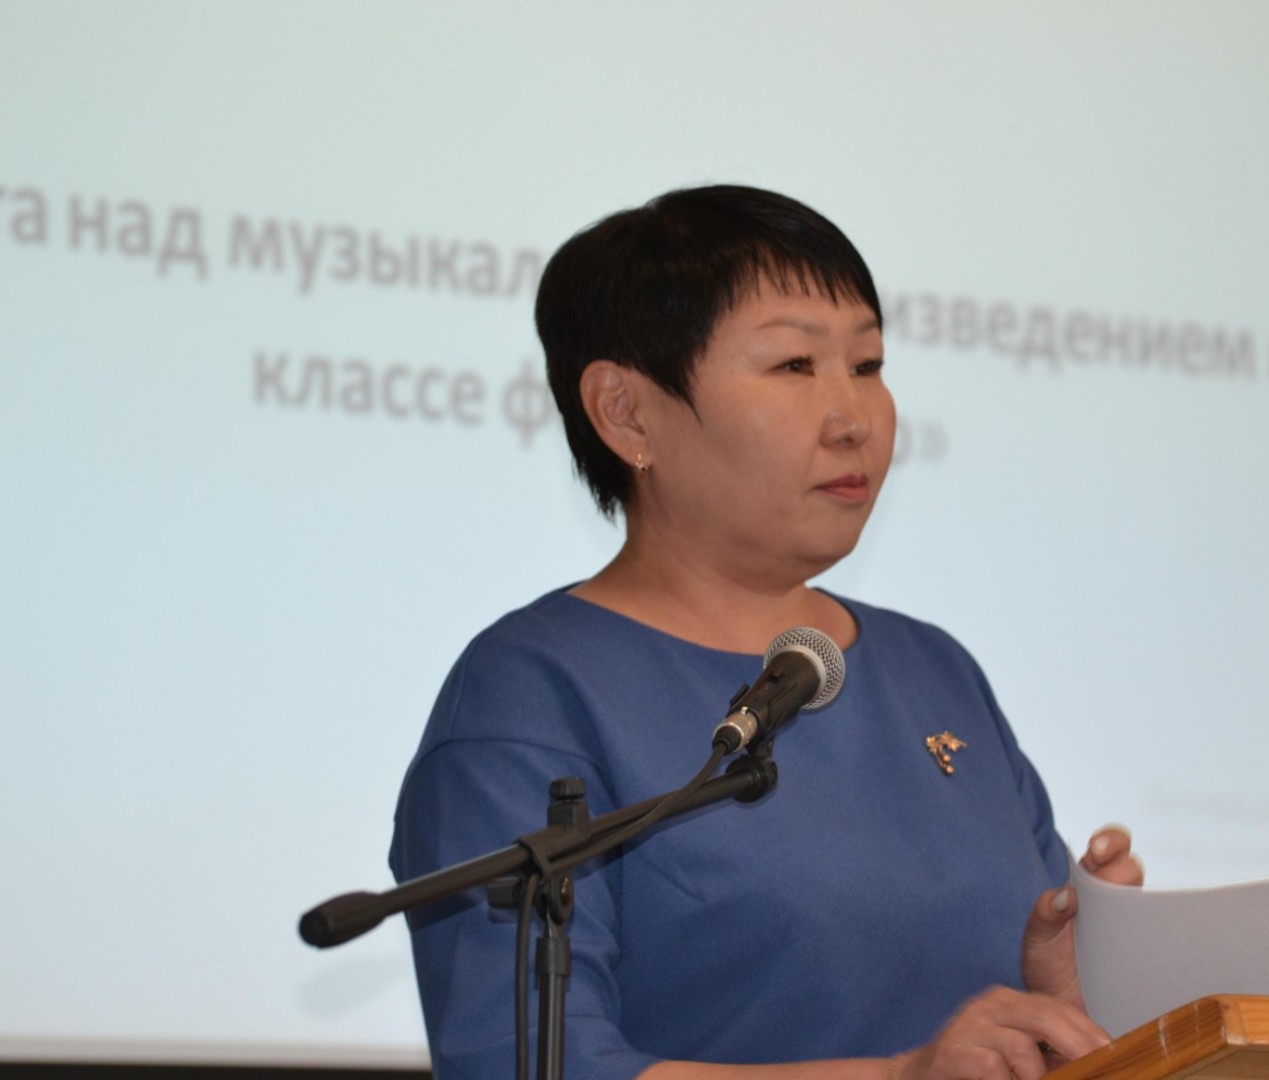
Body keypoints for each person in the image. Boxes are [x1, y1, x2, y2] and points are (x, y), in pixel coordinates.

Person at [389, 185, 1143, 1080]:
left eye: (866, 364)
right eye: (793, 366)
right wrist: (899, 1079)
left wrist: (1081, 995)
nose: (853, 419)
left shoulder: (932, 669)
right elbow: (527, 1065)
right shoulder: (532, 692)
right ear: (625, 412)